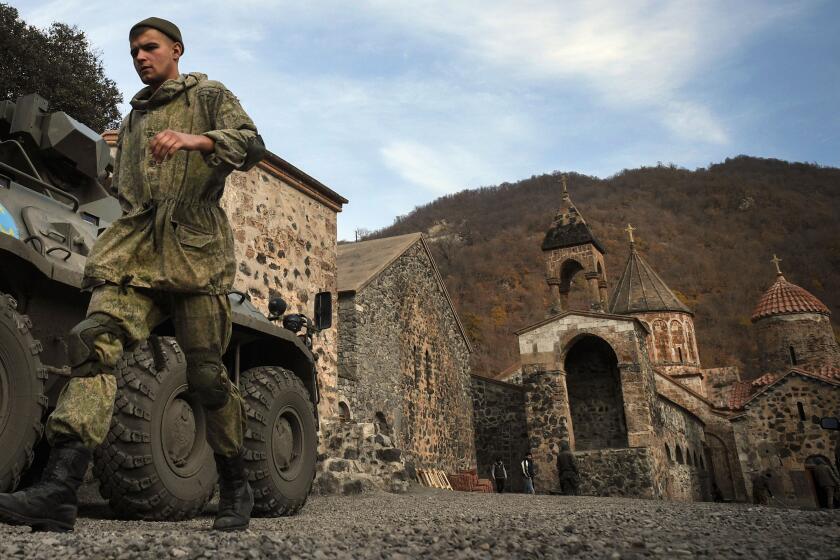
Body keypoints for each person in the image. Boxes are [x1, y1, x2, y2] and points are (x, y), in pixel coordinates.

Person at [0, 17, 264, 532]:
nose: (141, 57)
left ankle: (235, 481)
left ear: (176, 50)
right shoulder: (136, 117)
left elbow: (251, 145)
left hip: (193, 252)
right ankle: (59, 487)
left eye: (150, 48)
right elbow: (127, 192)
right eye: (134, 52)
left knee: (207, 377)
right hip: (137, 248)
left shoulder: (209, 94)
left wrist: (197, 141)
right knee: (93, 342)